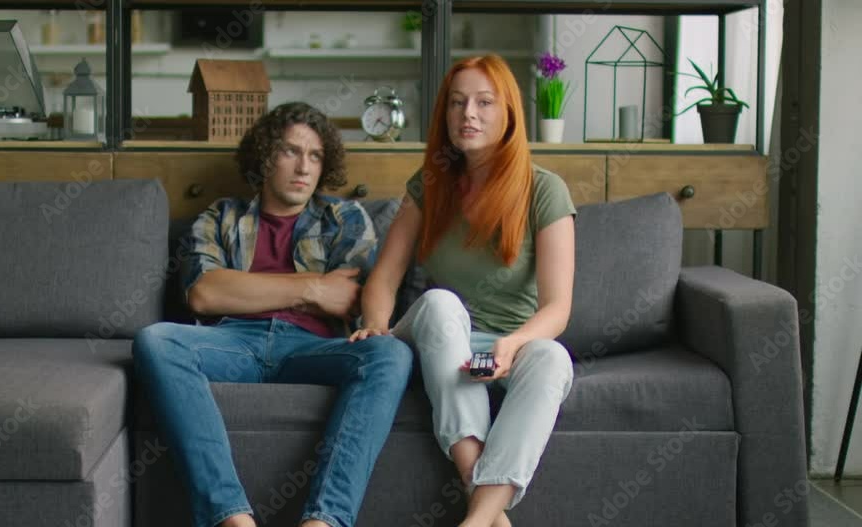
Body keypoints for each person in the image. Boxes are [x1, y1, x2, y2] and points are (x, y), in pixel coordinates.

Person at [132, 102, 413, 527]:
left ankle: (323, 521)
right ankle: (231, 518)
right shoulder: (221, 216)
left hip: (314, 348)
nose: (304, 167)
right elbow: (204, 294)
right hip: (233, 343)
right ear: (265, 157)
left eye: (315, 156)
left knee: (391, 353)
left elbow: (348, 299)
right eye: (290, 151)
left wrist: (247, 289)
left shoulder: (344, 218)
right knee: (156, 341)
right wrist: (314, 288)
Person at [350, 54, 577, 527]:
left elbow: (558, 308)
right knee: (439, 302)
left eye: (483, 102)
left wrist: (513, 344)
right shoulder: (429, 185)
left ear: (508, 112)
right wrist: (374, 326)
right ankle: (485, 510)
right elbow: (384, 278)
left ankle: (478, 520)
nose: (467, 114)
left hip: (510, 343)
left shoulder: (544, 190)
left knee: (553, 358)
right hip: (442, 338)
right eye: (457, 103)